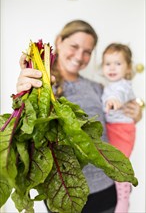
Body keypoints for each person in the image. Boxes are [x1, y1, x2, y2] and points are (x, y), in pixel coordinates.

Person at [17, 20, 142, 213]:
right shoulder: (41, 85)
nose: (79, 56)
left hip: (106, 191)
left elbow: (115, 119)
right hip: (64, 193)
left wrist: (137, 112)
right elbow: (29, 131)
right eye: (74, 46)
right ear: (59, 41)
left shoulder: (97, 87)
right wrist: (23, 94)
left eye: (87, 51)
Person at [101, 43, 137, 213]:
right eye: (108, 64)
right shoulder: (107, 86)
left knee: (119, 166)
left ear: (128, 67)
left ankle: (123, 201)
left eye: (118, 63)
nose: (112, 68)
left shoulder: (123, 85)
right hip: (113, 129)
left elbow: (119, 95)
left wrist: (114, 101)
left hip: (122, 131)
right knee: (113, 164)